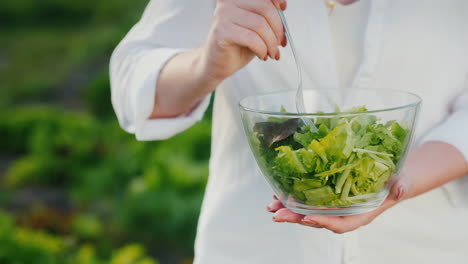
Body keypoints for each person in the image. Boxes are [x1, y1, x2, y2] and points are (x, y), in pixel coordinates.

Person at [110, 0, 468, 263]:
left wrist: (397, 182)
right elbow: (132, 85)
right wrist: (206, 64)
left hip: (431, 244)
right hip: (256, 245)